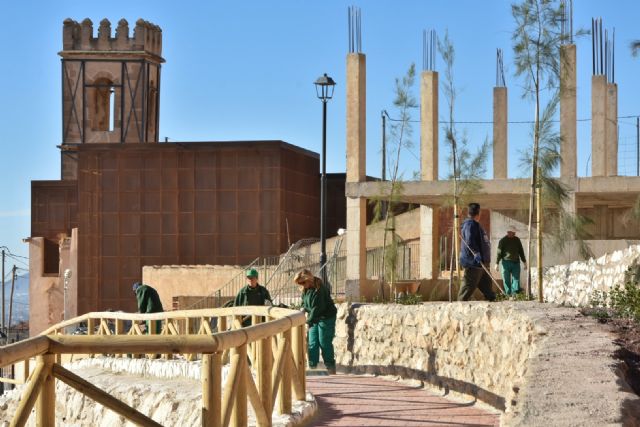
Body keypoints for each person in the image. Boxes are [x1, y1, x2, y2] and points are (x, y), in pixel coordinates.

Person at [294, 269, 337, 375]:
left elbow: (317, 308)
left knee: (324, 342)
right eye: (300, 283)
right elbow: (304, 303)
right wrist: (302, 309)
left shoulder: (320, 289)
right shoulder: (305, 289)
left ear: (308, 279)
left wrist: (308, 322)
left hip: (326, 317)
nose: (302, 285)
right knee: (312, 342)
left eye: (303, 282)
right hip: (314, 318)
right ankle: (313, 367)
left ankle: (330, 366)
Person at [458, 203, 496, 302]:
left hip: (482, 263)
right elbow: (470, 240)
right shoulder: (470, 224)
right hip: (474, 263)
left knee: (487, 287)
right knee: (468, 287)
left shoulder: (475, 224)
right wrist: (476, 253)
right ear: (479, 212)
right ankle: (459, 305)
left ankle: (492, 301)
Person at [495, 229, 527, 295]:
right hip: (506, 263)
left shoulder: (517, 240)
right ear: (508, 232)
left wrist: (524, 262)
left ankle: (514, 294)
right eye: (512, 232)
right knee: (506, 279)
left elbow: (521, 251)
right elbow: (499, 253)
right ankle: (508, 294)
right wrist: (497, 263)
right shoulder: (502, 241)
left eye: (514, 233)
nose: (513, 234)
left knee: (516, 279)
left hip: (516, 263)